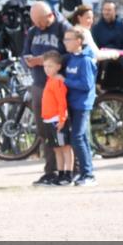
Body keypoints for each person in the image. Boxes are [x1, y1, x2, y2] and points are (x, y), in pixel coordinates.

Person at [23, 1, 72, 186]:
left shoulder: (62, 27)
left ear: (49, 15)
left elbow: (70, 53)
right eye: (35, 22)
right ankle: (50, 171)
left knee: (62, 131)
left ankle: (68, 171)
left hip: (57, 86)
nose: (38, 26)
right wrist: (28, 61)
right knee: (44, 131)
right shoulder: (33, 31)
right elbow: (24, 53)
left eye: (40, 22)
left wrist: (47, 60)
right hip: (39, 85)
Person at [63, 28, 98, 186]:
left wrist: (64, 81)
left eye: (69, 39)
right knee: (80, 137)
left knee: (77, 137)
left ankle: (88, 174)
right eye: (65, 39)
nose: (65, 42)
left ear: (78, 41)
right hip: (72, 102)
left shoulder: (85, 60)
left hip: (82, 104)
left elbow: (86, 85)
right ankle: (85, 172)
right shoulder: (71, 58)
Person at [40, 50, 75, 185]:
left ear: (58, 67)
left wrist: (62, 119)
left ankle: (68, 175)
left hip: (57, 119)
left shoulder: (58, 81)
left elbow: (62, 102)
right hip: (49, 120)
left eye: (50, 66)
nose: (47, 69)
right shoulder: (49, 80)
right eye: (45, 66)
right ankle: (60, 174)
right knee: (57, 148)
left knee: (65, 147)